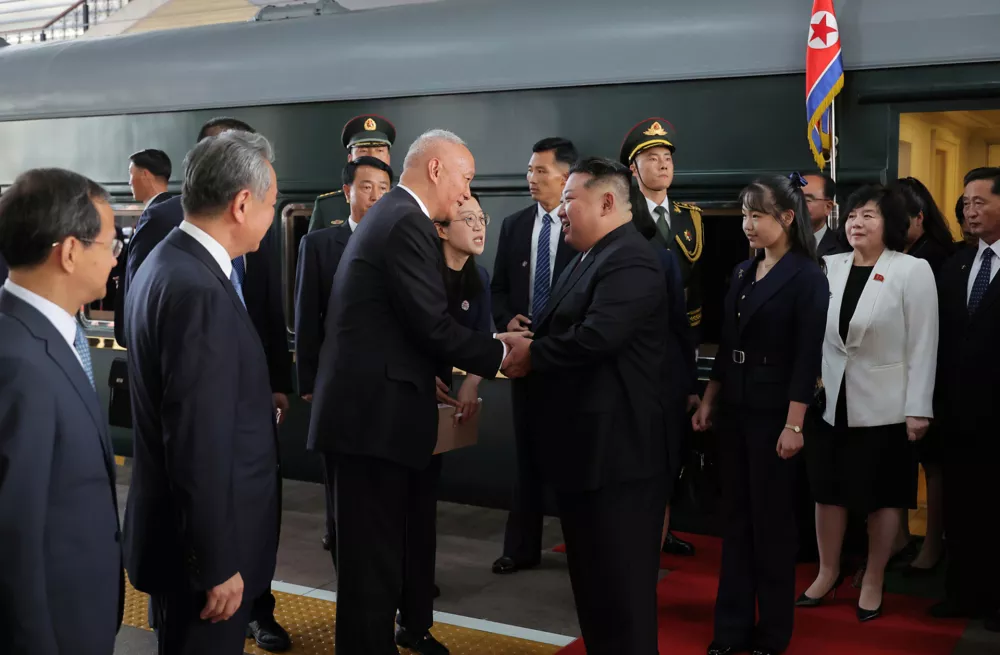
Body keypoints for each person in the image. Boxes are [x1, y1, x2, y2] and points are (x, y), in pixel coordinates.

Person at [306, 129, 508, 655]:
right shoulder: (405, 223)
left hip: (373, 422)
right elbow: (433, 326)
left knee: (374, 571)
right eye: (465, 179)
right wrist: (504, 353)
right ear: (437, 169)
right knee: (370, 577)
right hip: (369, 427)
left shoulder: (396, 217)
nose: (467, 194)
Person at [118, 117, 292, 651]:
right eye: (271, 206)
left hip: (181, 541)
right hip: (205, 564)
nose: (271, 220)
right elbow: (197, 440)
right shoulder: (201, 293)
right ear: (242, 204)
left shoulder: (167, 260)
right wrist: (216, 563)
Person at [501, 157, 670, 654]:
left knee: (623, 597)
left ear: (609, 202)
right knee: (595, 593)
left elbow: (598, 337)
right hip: (586, 457)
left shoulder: (631, 259)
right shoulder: (588, 256)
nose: (563, 211)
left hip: (620, 459)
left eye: (571, 200)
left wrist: (534, 354)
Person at [692, 174, 829, 655]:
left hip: (777, 415)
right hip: (735, 409)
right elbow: (728, 345)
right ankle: (729, 633)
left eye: (758, 215)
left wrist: (795, 425)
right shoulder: (742, 272)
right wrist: (710, 398)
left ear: (787, 218)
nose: (747, 224)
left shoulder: (809, 276)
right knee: (735, 524)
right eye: (745, 214)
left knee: (771, 528)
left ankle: (772, 636)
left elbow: (807, 358)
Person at [800, 185, 938, 623]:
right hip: (829, 403)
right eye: (853, 215)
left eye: (869, 216)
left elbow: (923, 345)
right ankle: (827, 572)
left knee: (882, 497)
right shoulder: (828, 266)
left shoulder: (911, 270)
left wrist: (919, 408)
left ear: (891, 224)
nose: (857, 223)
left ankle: (874, 577)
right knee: (827, 493)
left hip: (887, 406)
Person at [0, 168, 124, 655]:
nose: (117, 261)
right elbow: (12, 541)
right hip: (54, 630)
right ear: (70, 251)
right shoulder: (17, 365)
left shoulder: (46, 335)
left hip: (79, 614)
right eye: (111, 244)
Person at [296, 155, 392, 553]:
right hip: (338, 381)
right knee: (340, 474)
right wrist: (309, 380)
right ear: (347, 191)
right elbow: (306, 316)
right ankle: (338, 537)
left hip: (386, 381)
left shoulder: (400, 241)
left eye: (384, 190)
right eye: (367, 187)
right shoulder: (319, 244)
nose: (375, 196)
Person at [489, 137, 577, 575]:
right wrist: (509, 320)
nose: (531, 179)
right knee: (526, 459)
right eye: (529, 171)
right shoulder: (515, 225)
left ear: (566, 177)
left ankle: (580, 547)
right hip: (523, 361)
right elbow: (498, 288)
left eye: (541, 171)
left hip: (567, 361)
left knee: (571, 458)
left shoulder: (580, 228)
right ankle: (520, 548)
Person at [620, 117, 703, 556]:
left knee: (673, 452)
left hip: (679, 345)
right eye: (652, 158)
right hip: (637, 348)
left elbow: (700, 284)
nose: (662, 165)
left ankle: (663, 529)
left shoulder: (691, 219)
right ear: (633, 169)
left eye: (667, 158)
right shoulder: (623, 219)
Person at [930, 167, 1000, 632]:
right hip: (956, 412)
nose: (969, 211)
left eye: (979, 202)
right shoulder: (954, 263)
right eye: (966, 204)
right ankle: (961, 592)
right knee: (960, 507)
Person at [889, 176, 956, 575]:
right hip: (890, 375)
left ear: (919, 217)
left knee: (933, 466)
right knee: (895, 461)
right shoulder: (893, 254)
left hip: (932, 375)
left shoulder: (939, 258)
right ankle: (897, 538)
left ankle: (932, 545)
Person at [308, 114, 395, 232]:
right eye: (363, 151)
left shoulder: (404, 202)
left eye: (379, 151)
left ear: (388, 158)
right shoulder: (327, 206)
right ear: (350, 159)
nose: (372, 157)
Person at [803, 173, 844, 257]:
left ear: (828, 207)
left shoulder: (845, 248)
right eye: (794, 198)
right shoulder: (776, 246)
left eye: (807, 200)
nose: (798, 204)